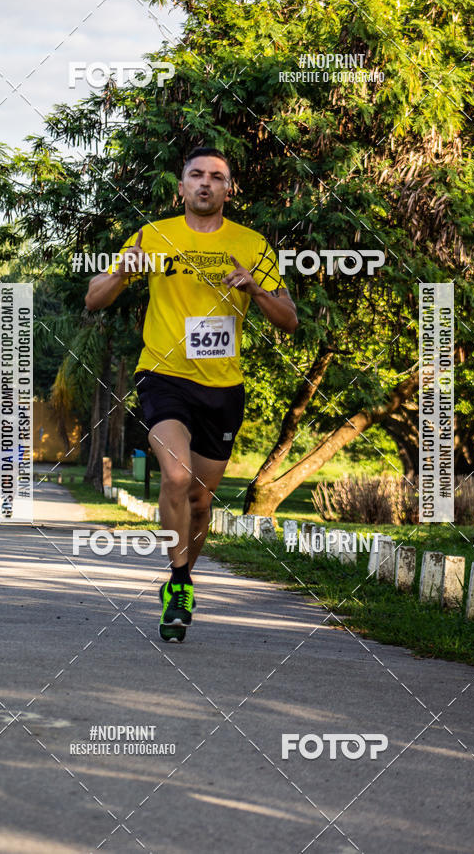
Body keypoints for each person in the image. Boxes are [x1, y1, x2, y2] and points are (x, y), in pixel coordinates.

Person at [86, 147, 298, 641]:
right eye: (196, 175)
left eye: (217, 176)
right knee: (176, 476)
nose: (206, 183)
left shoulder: (252, 244)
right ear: (180, 187)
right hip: (163, 376)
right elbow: (95, 298)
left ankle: (185, 574)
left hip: (223, 387)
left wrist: (255, 290)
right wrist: (122, 271)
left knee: (201, 502)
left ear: (229, 189)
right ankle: (178, 582)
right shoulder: (153, 236)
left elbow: (288, 319)